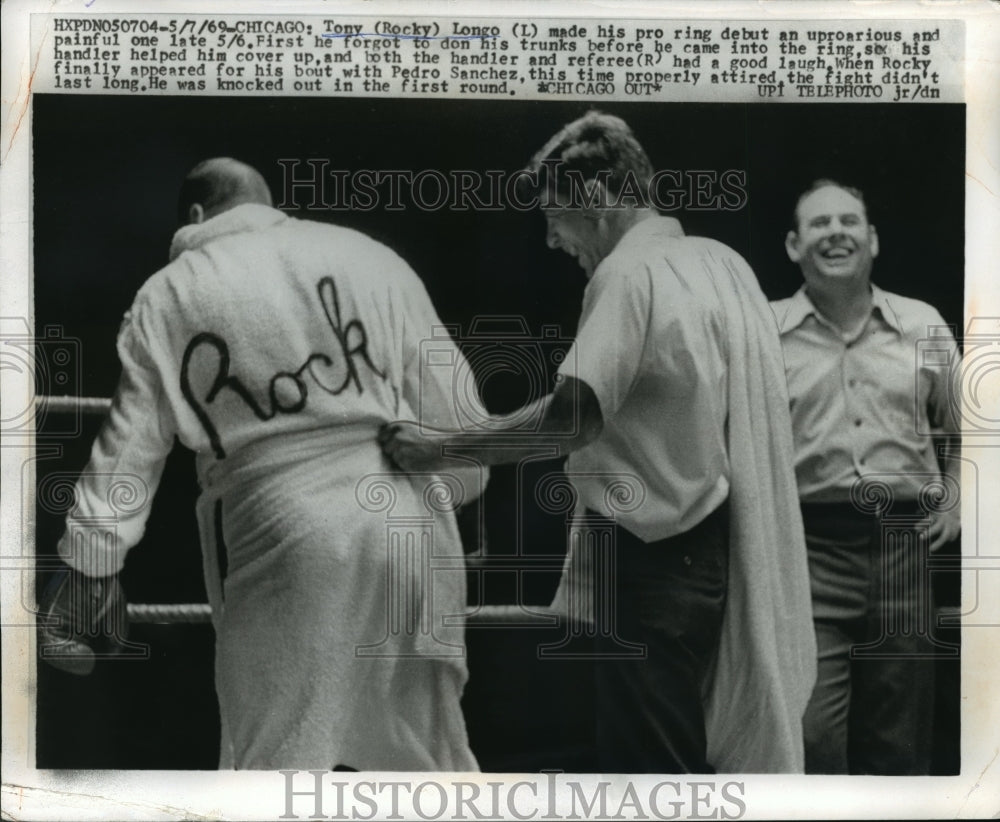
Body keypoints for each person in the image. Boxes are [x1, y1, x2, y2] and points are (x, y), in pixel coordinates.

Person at [381, 112, 817, 773]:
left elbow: (568, 421)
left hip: (648, 561)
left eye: (555, 215)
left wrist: (437, 447)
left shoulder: (630, 274)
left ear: (596, 199)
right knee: (686, 760)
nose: (554, 239)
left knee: (649, 773)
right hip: (717, 551)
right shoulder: (720, 264)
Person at [39, 158, 487, 771]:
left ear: (195, 216)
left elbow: (130, 446)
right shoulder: (368, 255)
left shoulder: (169, 293)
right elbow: (461, 420)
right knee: (429, 765)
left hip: (284, 534)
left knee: (273, 768)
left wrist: (90, 564)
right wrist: (454, 496)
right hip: (411, 530)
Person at [771, 179, 961, 774]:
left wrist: (955, 500)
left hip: (903, 546)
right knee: (810, 738)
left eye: (849, 221)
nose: (836, 233)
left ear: (872, 239)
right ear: (793, 245)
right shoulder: (764, 332)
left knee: (899, 738)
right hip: (805, 550)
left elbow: (972, 428)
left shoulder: (921, 323)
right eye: (820, 224)